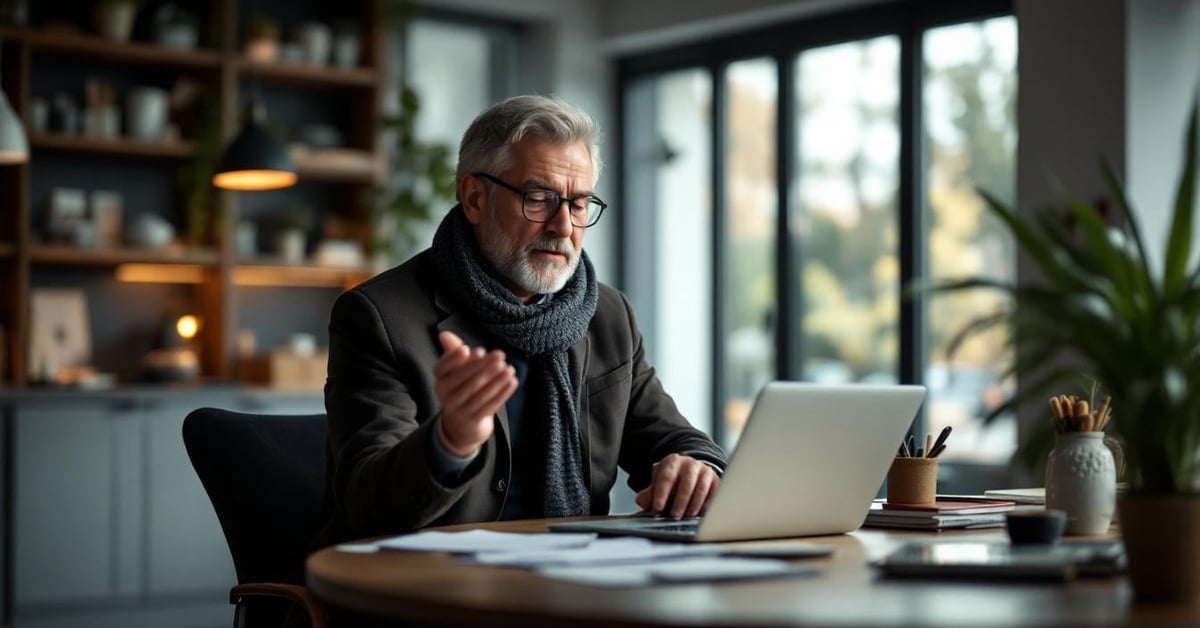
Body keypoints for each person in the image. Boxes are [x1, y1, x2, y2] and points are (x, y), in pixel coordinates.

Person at [321, 94, 726, 543]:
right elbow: (366, 506)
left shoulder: (609, 316)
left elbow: (675, 439)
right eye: (539, 199)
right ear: (475, 198)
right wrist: (450, 443)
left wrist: (698, 468)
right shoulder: (379, 317)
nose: (563, 227)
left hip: (577, 580)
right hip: (431, 590)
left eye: (578, 204)